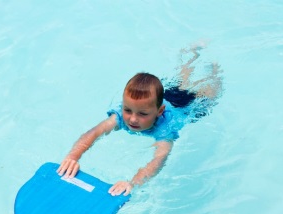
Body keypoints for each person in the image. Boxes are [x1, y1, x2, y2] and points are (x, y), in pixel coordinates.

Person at [57, 45, 222, 196]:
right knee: (181, 80)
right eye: (128, 110)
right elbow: (94, 133)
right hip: (163, 97)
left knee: (209, 94)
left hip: (187, 108)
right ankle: (192, 52)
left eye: (142, 114)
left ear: (159, 112)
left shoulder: (164, 130)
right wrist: (73, 157)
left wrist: (132, 183)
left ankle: (215, 68)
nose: (133, 119)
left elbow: (158, 160)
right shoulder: (122, 115)